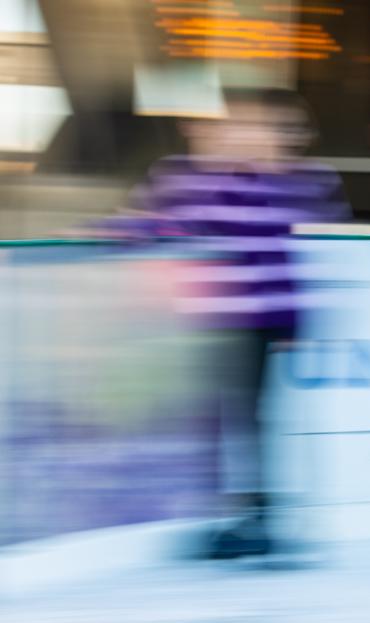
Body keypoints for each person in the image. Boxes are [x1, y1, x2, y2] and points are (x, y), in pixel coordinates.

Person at [99, 87, 349, 559]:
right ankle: (231, 513)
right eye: (231, 124)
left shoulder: (302, 181)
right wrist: (108, 234)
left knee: (250, 421)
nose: (238, 134)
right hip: (211, 321)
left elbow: (308, 244)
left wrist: (299, 327)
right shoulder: (182, 175)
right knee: (213, 420)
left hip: (266, 321)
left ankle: (259, 516)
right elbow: (148, 222)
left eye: (258, 126)